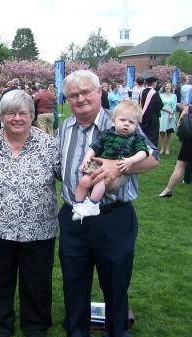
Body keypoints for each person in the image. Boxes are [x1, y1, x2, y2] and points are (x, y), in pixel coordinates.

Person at [58, 70, 159, 337]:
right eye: (73, 95)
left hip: (113, 217)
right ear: (67, 99)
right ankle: (77, 331)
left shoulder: (120, 122)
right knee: (73, 280)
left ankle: (117, 331)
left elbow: (153, 158)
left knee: (115, 281)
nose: (80, 99)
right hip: (74, 215)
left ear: (99, 91)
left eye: (85, 92)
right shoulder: (64, 127)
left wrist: (119, 168)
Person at [0, 89, 61, 337]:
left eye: (23, 113)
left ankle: (36, 327)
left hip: (39, 230)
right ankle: (1, 328)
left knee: (37, 284)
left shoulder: (50, 145)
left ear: (33, 115)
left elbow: (69, 176)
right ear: (0, 115)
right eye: (10, 113)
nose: (17, 118)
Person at [72, 100, 149, 221]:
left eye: (131, 122)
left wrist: (131, 160)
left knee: (101, 182)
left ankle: (93, 204)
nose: (126, 124)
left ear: (136, 125)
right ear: (113, 121)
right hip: (100, 163)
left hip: (119, 167)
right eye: (123, 120)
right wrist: (87, 158)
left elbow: (143, 152)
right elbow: (95, 146)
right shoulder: (106, 134)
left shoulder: (136, 138)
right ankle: (78, 206)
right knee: (84, 182)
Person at [158, 103, 192, 197]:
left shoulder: (189, 108)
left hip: (189, 140)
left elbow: (180, 124)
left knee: (179, 167)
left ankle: (167, 190)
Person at [140, 76, 163, 147]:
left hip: (143, 117)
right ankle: (152, 149)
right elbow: (160, 105)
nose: (156, 84)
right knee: (153, 134)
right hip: (153, 118)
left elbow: (140, 104)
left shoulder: (142, 92)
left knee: (144, 133)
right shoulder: (154, 93)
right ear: (153, 83)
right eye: (156, 82)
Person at [159, 82, 177, 155]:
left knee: (169, 132)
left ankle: (167, 149)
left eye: (169, 86)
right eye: (166, 86)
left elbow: (174, 106)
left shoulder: (174, 96)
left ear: (171, 87)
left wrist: (171, 113)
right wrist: (168, 110)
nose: (167, 87)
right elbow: (160, 105)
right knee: (162, 132)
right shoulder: (161, 95)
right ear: (164, 88)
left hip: (170, 115)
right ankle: (162, 148)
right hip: (163, 115)